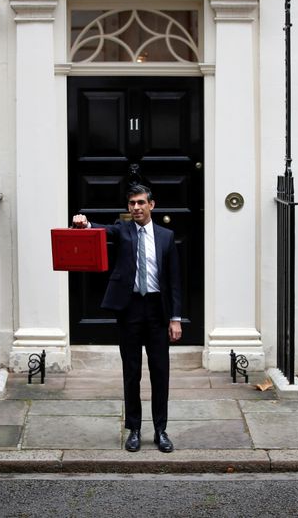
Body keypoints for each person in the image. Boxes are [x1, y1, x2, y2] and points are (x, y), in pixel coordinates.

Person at [72, 184, 182, 453]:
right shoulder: (122, 230)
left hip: (157, 310)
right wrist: (83, 223)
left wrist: (175, 318)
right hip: (130, 309)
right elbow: (98, 229)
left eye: (141, 203)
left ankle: (160, 430)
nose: (136, 208)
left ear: (151, 205)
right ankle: (133, 429)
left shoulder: (166, 236)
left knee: (160, 373)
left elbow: (174, 280)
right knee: (131, 372)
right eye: (132, 203)